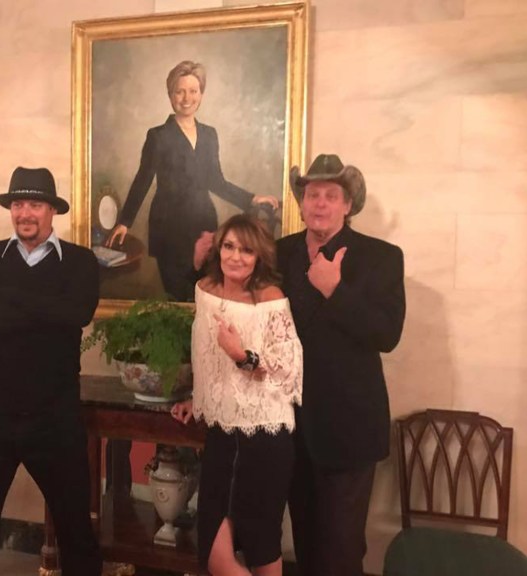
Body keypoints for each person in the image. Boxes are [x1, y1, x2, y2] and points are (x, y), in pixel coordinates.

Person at [0, 167, 102, 576]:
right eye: (18, 203)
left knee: (76, 531)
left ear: (52, 210)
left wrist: (11, 297)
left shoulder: (80, 262)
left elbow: (78, 312)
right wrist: (47, 310)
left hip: (55, 419)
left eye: (35, 204)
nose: (25, 213)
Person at [277, 154, 406, 576]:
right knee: (308, 546)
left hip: (349, 430)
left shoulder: (382, 257)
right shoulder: (279, 254)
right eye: (312, 194)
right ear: (301, 203)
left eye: (332, 195)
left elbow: (387, 334)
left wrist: (336, 290)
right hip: (291, 428)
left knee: (342, 552)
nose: (320, 203)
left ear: (348, 205)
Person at [171, 214, 303, 576]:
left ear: (259, 255)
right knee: (214, 552)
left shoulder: (270, 299)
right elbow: (206, 359)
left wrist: (242, 356)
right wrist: (197, 401)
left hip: (265, 438)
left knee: (263, 548)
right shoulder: (206, 290)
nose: (235, 257)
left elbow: (289, 369)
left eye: (246, 250)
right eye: (229, 246)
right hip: (222, 436)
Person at [106, 60, 278, 302]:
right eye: (180, 91)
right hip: (168, 228)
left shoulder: (209, 134)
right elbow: (142, 179)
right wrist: (125, 221)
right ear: (170, 95)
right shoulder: (158, 136)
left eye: (193, 91)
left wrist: (251, 199)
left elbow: (216, 181)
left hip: (204, 226)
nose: (187, 98)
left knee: (206, 297)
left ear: (201, 94)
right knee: (178, 298)